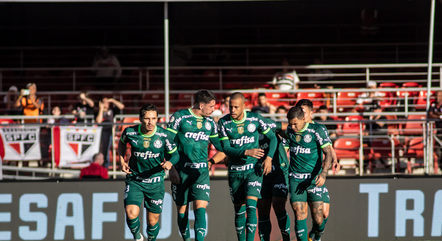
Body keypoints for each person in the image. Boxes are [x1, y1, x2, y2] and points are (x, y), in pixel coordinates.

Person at [217, 92, 277, 241]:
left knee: (251, 206)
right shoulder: (224, 122)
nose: (233, 110)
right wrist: (246, 151)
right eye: (230, 107)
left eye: (236, 107)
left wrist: (269, 158)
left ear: (244, 106)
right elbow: (226, 148)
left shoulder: (255, 119)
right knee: (239, 210)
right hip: (235, 171)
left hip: (253, 170)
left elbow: (273, 137)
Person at [166, 90, 224, 241]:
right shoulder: (179, 117)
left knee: (200, 208)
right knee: (182, 211)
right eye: (211, 106)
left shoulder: (210, 123)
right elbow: (167, 143)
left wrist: (214, 160)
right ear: (201, 105)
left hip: (201, 173)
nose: (213, 110)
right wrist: (171, 168)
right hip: (180, 171)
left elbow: (221, 147)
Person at [119, 104, 179, 241]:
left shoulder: (164, 135)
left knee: (152, 221)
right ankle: (137, 237)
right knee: (131, 213)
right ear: (140, 119)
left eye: (153, 118)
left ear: (157, 119)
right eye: (147, 118)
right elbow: (122, 143)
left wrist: (170, 163)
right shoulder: (130, 132)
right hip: (135, 179)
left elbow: (175, 155)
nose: (150, 122)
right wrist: (122, 161)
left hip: (155, 182)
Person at [285, 106, 333, 241]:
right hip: (296, 179)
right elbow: (283, 151)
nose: (293, 127)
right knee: (299, 213)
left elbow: (328, 152)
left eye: (295, 123)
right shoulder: (289, 131)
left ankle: (316, 236)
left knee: (319, 218)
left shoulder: (316, 130)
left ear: (303, 119)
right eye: (291, 124)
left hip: (314, 179)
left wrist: (323, 174)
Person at [257, 117, 290, 241]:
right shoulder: (244, 131)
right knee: (263, 209)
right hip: (261, 173)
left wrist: (286, 138)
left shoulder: (267, 124)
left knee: (278, 204)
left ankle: (286, 238)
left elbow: (288, 126)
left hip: (279, 171)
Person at [95, 96, 125, 167]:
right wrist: (101, 109)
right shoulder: (97, 111)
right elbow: (98, 121)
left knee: (108, 150)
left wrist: (112, 100)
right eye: (104, 102)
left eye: (107, 102)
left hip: (110, 132)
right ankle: (101, 166)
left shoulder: (112, 111)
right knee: (101, 150)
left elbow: (122, 107)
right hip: (100, 133)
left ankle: (106, 166)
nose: (106, 104)